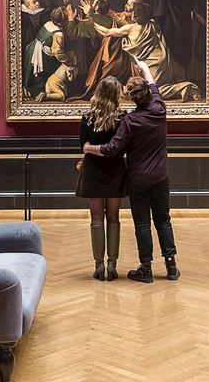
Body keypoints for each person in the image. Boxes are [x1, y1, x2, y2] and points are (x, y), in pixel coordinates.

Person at [83, 59, 180, 284]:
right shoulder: (159, 108)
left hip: (137, 178)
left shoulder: (130, 121)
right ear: (148, 93)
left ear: (131, 98)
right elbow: (152, 82)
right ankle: (171, 266)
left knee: (143, 223)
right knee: (164, 220)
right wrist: (143, 67)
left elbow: (111, 149)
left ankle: (146, 268)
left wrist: (89, 147)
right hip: (160, 175)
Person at [94, 2, 200, 101]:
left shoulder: (131, 28)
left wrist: (91, 22)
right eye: (133, 14)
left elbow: (107, 32)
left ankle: (185, 88)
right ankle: (184, 87)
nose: (133, 17)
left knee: (150, 92)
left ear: (141, 16)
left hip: (152, 66)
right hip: (163, 62)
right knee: (149, 89)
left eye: (136, 15)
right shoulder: (153, 25)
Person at [77, 76, 127, 281]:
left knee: (96, 218)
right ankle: (112, 265)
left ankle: (98, 265)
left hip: (93, 171)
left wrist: (90, 148)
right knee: (114, 217)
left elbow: (83, 145)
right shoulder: (122, 117)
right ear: (117, 94)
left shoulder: (88, 117)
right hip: (115, 170)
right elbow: (122, 147)